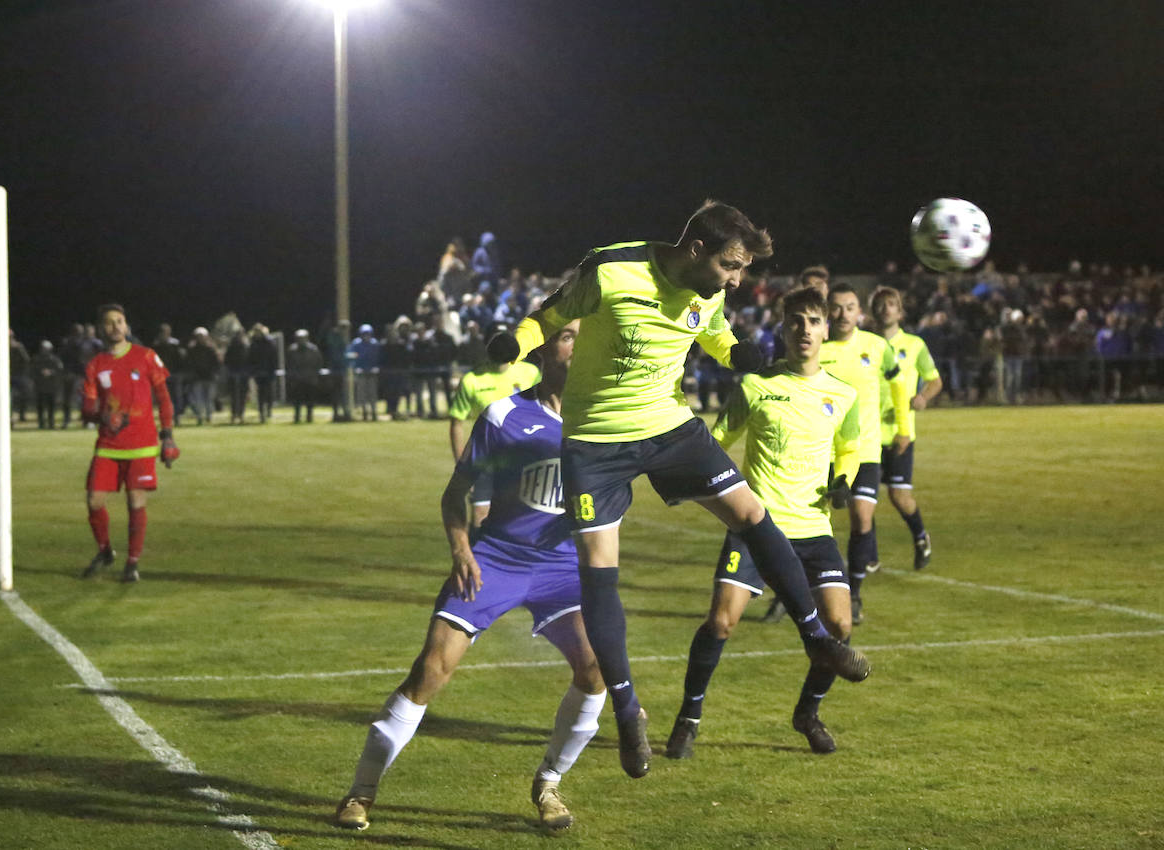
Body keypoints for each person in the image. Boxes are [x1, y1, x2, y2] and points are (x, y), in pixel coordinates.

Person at [505, 199, 871, 779]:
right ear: (696, 249)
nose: (737, 279)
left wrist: (742, 356)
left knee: (751, 512)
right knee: (600, 570)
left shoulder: (712, 290)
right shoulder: (611, 268)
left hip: (671, 428)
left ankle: (815, 636)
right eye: (731, 265)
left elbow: (718, 335)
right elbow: (550, 315)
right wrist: (514, 342)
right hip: (597, 443)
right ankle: (627, 709)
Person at [334, 323, 604, 833]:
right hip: (496, 558)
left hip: (562, 566)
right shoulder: (505, 415)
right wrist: (461, 546)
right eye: (569, 337)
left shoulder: (606, 419)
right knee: (430, 670)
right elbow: (455, 492)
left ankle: (549, 783)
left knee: (595, 670)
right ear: (543, 350)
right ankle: (360, 793)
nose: (581, 346)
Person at [665, 286, 861, 759]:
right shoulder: (755, 386)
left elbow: (849, 449)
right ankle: (688, 719)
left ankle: (807, 713)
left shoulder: (843, 394)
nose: (805, 330)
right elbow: (718, 440)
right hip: (758, 528)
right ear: (783, 327)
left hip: (814, 530)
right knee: (721, 621)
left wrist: (843, 480)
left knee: (840, 626)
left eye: (814, 321)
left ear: (826, 328)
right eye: (796, 321)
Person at [776, 282, 909, 626]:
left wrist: (905, 427)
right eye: (836, 308)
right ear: (826, 313)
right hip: (818, 452)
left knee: (862, 519)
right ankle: (790, 592)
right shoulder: (818, 348)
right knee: (807, 525)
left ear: (859, 311)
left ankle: (855, 592)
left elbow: (898, 384)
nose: (843, 314)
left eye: (850, 307)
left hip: (863, 450)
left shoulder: (877, 346)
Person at [80, 304, 179, 583]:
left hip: (142, 443)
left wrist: (168, 434)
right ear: (101, 329)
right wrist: (102, 415)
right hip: (109, 444)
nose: (115, 327)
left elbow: (164, 398)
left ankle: (132, 563)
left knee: (136, 500)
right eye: (109, 323)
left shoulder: (146, 356)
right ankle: (105, 551)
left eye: (120, 321)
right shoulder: (96, 365)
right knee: (94, 499)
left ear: (127, 326)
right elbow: (86, 408)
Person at [869, 286, 942, 573]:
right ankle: (869, 556)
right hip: (868, 434)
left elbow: (934, 380)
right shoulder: (864, 344)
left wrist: (923, 396)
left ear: (900, 311)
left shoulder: (914, 345)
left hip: (900, 432)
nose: (886, 308)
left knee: (899, 496)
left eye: (892, 304)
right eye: (881, 304)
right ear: (873, 310)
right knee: (863, 500)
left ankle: (921, 536)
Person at [446, 330, 542, 527]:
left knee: (526, 519)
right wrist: (462, 467)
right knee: (481, 518)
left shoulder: (530, 373)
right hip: (485, 459)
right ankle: (476, 556)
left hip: (525, 457)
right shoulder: (472, 380)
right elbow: (456, 423)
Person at [183, 327, 220, 425]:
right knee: (197, 399)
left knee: (209, 399)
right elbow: (188, 363)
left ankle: (209, 416)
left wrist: (215, 373)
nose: (200, 338)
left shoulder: (211, 348)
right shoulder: (192, 349)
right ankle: (199, 416)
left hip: (209, 377)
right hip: (197, 378)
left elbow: (217, 363)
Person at [286, 328, 324, 423]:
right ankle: (297, 417)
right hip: (297, 378)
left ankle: (309, 417)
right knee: (297, 400)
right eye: (299, 338)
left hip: (310, 378)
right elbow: (289, 364)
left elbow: (319, 363)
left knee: (310, 400)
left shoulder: (313, 349)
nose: (301, 340)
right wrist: (292, 376)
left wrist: (315, 375)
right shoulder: (292, 350)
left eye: (302, 338)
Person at [247, 324, 280, 423]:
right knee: (261, 393)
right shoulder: (253, 344)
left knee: (269, 393)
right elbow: (251, 358)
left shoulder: (269, 343)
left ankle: (269, 410)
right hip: (258, 372)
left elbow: (274, 358)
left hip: (269, 372)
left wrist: (273, 369)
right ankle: (261, 412)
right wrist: (252, 370)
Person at [31, 340, 64, 429]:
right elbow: (32, 371)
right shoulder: (37, 359)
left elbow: (59, 371)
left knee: (51, 407)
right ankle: (41, 423)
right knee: (40, 407)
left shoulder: (54, 360)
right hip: (40, 386)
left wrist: (51, 372)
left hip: (51, 387)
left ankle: (51, 423)